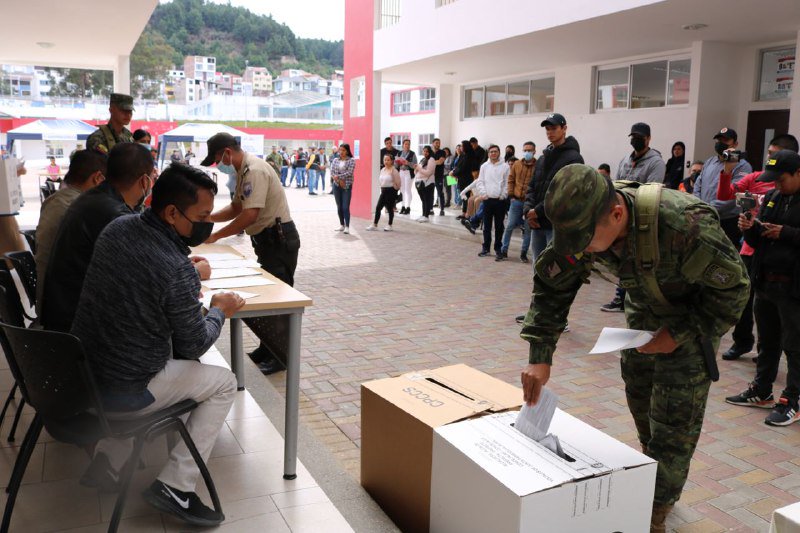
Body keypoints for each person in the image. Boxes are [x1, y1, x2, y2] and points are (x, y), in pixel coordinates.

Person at [520, 164, 748, 532]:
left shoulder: (682, 225)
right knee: (644, 412)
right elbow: (552, 287)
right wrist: (540, 357)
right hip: (641, 326)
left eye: (584, 238)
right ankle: (652, 475)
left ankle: (654, 511)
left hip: (689, 329)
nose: (579, 248)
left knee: (673, 430)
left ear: (616, 213)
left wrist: (676, 334)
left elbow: (734, 291)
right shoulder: (584, 223)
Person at [71, 163, 244, 527]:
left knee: (160, 353)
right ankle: (176, 486)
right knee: (223, 382)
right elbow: (195, 341)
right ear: (170, 213)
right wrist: (218, 310)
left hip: (82, 375)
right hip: (123, 392)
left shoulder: (118, 228)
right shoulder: (173, 267)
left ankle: (108, 460)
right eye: (201, 216)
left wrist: (184, 274)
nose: (206, 223)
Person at [202, 133, 300, 376]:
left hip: (278, 240)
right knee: (269, 297)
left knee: (277, 301)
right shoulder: (243, 171)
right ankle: (267, 349)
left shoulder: (254, 170)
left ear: (227, 152)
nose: (218, 165)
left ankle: (281, 358)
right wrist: (209, 218)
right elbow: (237, 207)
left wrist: (215, 235)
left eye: (217, 159)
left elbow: (249, 215)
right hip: (267, 241)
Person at [41, 143, 156, 332]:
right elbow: (143, 273)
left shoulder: (94, 198)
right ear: (145, 181)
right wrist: (193, 273)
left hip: (64, 314)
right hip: (78, 327)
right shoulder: (113, 214)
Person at [726, 150, 800, 426]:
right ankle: (762, 390)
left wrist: (786, 232)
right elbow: (758, 242)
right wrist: (749, 228)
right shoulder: (771, 197)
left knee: (794, 345)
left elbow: (787, 234)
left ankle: (793, 399)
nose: (776, 185)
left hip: (794, 287)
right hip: (766, 282)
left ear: (797, 173)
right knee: (767, 341)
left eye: (781, 179)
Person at [717, 134, 798, 361]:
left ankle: (784, 381)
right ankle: (744, 345)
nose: (768, 158)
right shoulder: (760, 181)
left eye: (773, 154)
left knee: (783, 326)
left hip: (785, 269)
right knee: (747, 304)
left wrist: (784, 232)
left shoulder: (787, 191)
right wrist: (727, 170)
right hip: (755, 256)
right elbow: (724, 195)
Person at [602, 122, 666, 313]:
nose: (636, 140)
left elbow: (651, 190)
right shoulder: (625, 160)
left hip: (643, 216)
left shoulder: (656, 163)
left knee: (640, 260)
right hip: (623, 218)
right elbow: (617, 186)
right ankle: (621, 298)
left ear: (648, 139)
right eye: (633, 137)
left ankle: (639, 300)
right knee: (624, 259)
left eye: (640, 137)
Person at [35, 150, 106, 316]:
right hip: (64, 314)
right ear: (98, 178)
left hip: (46, 303)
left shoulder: (53, 200)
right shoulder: (82, 209)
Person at [523, 113, 583, 261]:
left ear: (564, 129)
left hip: (557, 226)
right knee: (538, 268)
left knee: (554, 271)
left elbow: (567, 194)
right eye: (547, 129)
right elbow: (532, 187)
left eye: (554, 128)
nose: (550, 132)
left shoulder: (574, 158)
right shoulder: (543, 159)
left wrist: (537, 211)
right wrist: (527, 211)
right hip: (537, 224)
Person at [693, 127, 753, 247]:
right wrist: (697, 205)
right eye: (719, 140)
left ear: (735, 144)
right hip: (704, 217)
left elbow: (734, 194)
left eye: (725, 140)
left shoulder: (742, 166)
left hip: (727, 221)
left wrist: (707, 210)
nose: (721, 143)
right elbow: (698, 185)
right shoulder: (710, 161)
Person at [500, 141, 536, 263]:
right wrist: (511, 195)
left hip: (530, 203)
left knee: (528, 228)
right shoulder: (517, 164)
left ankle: (523, 253)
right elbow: (511, 180)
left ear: (534, 151)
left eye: (530, 150)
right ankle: (504, 250)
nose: (527, 153)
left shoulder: (538, 166)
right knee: (509, 226)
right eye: (525, 150)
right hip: (516, 200)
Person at [474, 145, 509, 257]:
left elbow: (507, 183)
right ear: (488, 154)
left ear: (499, 153)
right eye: (491, 152)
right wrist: (484, 194)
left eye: (495, 151)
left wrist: (503, 195)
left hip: (500, 201)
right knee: (487, 226)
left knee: (499, 226)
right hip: (487, 200)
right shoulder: (484, 166)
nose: (493, 153)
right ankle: (486, 248)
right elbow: (480, 181)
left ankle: (498, 249)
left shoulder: (505, 166)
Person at [366, 154, 401, 231]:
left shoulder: (394, 171)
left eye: (388, 160)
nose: (386, 161)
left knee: (389, 208)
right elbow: (381, 181)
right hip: (383, 191)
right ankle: (375, 225)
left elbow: (398, 184)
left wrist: (394, 189)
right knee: (378, 207)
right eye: (385, 160)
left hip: (391, 191)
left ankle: (390, 225)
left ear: (392, 161)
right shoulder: (383, 170)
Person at [331, 144, 356, 233]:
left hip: (346, 186)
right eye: (340, 150)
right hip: (336, 186)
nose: (341, 152)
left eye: (343, 150)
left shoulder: (351, 160)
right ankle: (342, 225)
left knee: (345, 207)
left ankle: (347, 227)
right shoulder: (335, 160)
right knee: (339, 206)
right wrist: (338, 180)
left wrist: (339, 177)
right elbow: (332, 172)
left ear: (347, 151)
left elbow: (349, 172)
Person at [452, 140, 476, 218]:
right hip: (460, 178)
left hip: (466, 179)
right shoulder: (463, 155)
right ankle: (463, 212)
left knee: (466, 196)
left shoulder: (469, 156)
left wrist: (453, 173)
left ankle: (467, 214)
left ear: (466, 146)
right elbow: (458, 166)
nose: (460, 148)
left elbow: (463, 168)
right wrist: (453, 172)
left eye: (462, 146)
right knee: (462, 195)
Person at [414, 145, 436, 222]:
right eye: (424, 151)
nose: (425, 153)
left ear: (429, 152)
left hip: (428, 183)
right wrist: (416, 169)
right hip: (420, 182)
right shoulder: (423, 159)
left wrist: (419, 169)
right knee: (423, 200)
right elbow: (417, 171)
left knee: (426, 199)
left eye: (427, 151)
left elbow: (428, 173)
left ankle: (426, 216)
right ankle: (423, 215)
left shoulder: (431, 160)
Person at [396, 139, 417, 215]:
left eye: (408, 144)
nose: (407, 145)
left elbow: (415, 166)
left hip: (409, 172)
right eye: (405, 144)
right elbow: (396, 165)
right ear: (403, 145)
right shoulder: (399, 153)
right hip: (401, 172)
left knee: (408, 190)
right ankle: (403, 206)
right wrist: (398, 162)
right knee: (402, 190)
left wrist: (408, 163)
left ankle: (408, 207)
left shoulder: (412, 154)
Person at [432, 138, 447, 215]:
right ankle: (430, 209)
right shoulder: (430, 153)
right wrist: (434, 162)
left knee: (440, 193)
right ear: (433, 144)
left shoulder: (442, 152)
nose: (438, 144)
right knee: (430, 193)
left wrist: (431, 162)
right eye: (436, 143)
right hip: (431, 176)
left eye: (439, 143)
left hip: (439, 176)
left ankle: (442, 209)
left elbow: (440, 162)